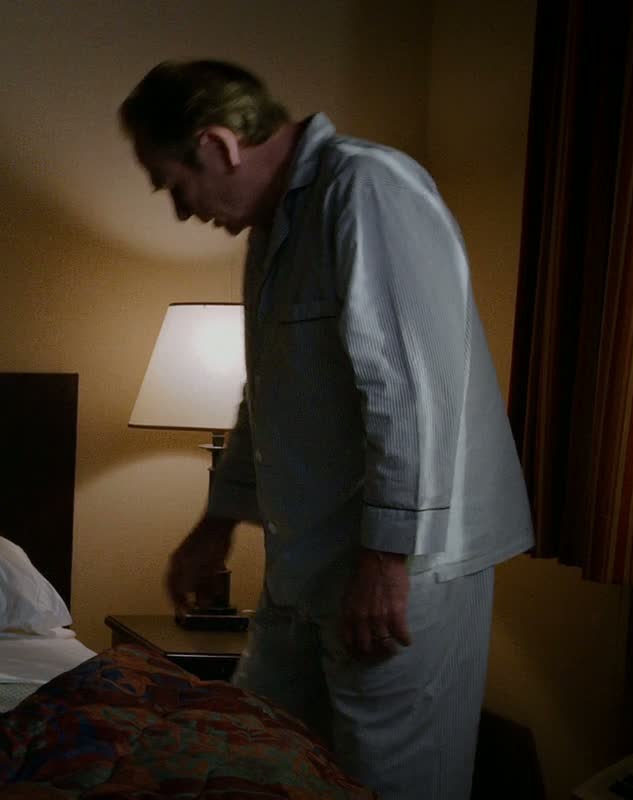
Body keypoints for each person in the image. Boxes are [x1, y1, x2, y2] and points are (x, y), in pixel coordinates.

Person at [117, 60, 532, 798]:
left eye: (174, 184)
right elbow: (267, 391)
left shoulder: (367, 190)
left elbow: (410, 390)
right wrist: (218, 522)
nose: (181, 211)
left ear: (217, 145)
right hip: (311, 557)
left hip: (403, 561)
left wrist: (386, 559)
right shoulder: (274, 225)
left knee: (389, 780)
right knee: (261, 754)